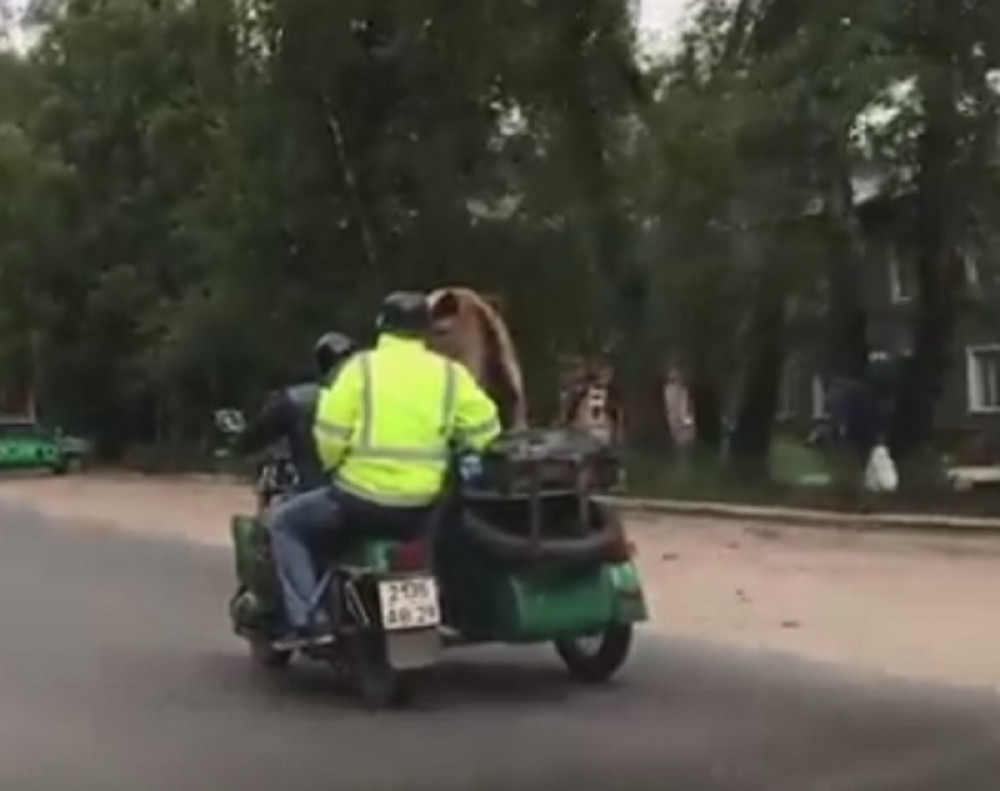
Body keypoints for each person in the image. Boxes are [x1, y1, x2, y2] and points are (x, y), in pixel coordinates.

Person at [266, 292, 502, 647]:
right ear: (426, 330)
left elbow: (329, 433)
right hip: (423, 509)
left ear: (382, 326)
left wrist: (335, 467)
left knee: (285, 524)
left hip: (358, 503)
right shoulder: (451, 375)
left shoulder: (358, 370)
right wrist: (464, 449)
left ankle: (309, 620)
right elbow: (487, 429)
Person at [233, 332, 358, 493]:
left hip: (312, 492)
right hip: (364, 495)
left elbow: (258, 432)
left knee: (280, 515)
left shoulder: (297, 399)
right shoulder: (373, 400)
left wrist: (239, 445)